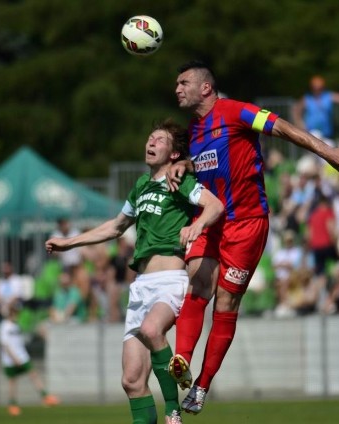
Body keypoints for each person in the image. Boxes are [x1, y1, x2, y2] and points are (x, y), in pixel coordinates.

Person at [167, 60, 339, 415]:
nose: (177, 88)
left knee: (225, 304)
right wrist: (185, 165)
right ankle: (183, 360)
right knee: (196, 287)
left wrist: (326, 151)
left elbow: (281, 127)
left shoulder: (236, 111)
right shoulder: (195, 129)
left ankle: (202, 387)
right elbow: (209, 161)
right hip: (213, 221)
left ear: (206, 87)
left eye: (184, 82)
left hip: (247, 225)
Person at [46, 119, 224, 424]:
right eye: (149, 138)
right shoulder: (141, 185)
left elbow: (215, 206)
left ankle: (172, 410)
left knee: (153, 330)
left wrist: (196, 226)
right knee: (131, 381)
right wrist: (70, 242)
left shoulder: (178, 179)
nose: (150, 142)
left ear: (173, 153)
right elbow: (116, 226)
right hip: (141, 286)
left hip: (171, 280)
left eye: (159, 139)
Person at [0, 302, 59, 416]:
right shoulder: (4, 326)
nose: (17, 315)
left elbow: (23, 338)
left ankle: (45, 396)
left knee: (33, 373)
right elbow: (5, 345)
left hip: (22, 356)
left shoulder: (16, 325)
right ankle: (12, 404)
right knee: (12, 381)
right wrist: (13, 358)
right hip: (10, 359)